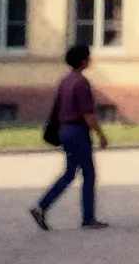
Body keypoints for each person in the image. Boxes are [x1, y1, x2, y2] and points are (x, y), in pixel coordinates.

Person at [31, 45, 109, 231]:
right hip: (78, 131)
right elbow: (87, 113)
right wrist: (101, 135)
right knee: (89, 174)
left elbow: (57, 108)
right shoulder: (81, 83)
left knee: (70, 172)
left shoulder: (65, 80)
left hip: (64, 130)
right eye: (88, 57)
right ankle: (88, 218)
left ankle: (41, 207)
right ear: (83, 61)